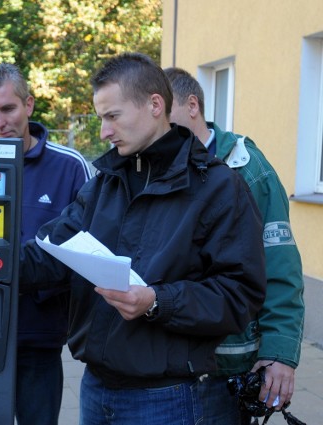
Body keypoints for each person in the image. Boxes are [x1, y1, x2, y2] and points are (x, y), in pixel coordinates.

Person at [18, 52, 267, 425]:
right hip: (95, 388)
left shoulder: (216, 187)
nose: (103, 131)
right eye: (102, 118)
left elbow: (239, 295)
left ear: (154, 105)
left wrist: (157, 301)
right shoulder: (103, 183)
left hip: (166, 399)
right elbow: (49, 255)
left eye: (112, 116)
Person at [164, 66, 305, 425]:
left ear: (192, 105)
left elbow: (280, 265)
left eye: (165, 113)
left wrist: (280, 354)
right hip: (170, 366)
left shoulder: (247, 168)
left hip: (227, 369)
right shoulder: (159, 167)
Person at [0, 62, 92, 425]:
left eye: (7, 108)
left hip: (39, 337)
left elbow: (87, 248)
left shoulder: (70, 168)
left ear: (29, 105)